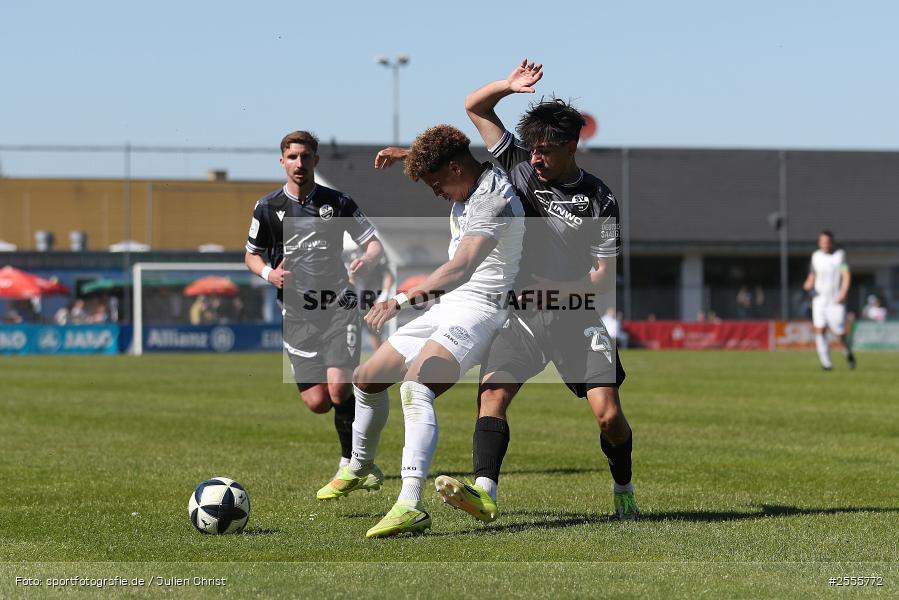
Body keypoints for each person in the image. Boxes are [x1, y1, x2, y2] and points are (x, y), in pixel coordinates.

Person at [433, 59, 638, 522]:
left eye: (546, 150)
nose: (535, 158)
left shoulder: (600, 199)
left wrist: (554, 286)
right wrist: (508, 85)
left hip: (575, 319)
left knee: (609, 417)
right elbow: (475, 107)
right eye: (532, 148)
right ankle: (485, 494)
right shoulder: (517, 165)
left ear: (571, 146)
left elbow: (603, 278)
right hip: (521, 318)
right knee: (492, 395)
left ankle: (623, 486)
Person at [315, 124, 525, 538]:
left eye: (436, 184)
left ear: (454, 168)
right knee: (367, 378)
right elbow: (451, 148)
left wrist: (402, 301)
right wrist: (405, 154)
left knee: (415, 388)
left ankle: (409, 504)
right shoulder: (466, 173)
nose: (436, 193)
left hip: (481, 310)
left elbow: (462, 267)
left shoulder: (492, 200)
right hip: (451, 305)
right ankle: (361, 465)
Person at [244, 130, 385, 488]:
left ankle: (354, 463)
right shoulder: (268, 207)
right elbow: (251, 254)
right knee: (318, 402)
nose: (299, 163)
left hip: (338, 303)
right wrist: (268, 273)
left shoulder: (338, 203)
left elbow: (373, 245)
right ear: (282, 161)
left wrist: (367, 261)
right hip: (297, 314)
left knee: (339, 389)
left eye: (306, 157)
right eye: (292, 157)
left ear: (315, 161)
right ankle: (357, 458)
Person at [803, 230, 855, 370]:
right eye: (822, 241)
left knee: (839, 334)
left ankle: (847, 352)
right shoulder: (816, 256)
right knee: (820, 330)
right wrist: (808, 283)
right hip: (819, 300)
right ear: (819, 242)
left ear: (832, 242)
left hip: (835, 301)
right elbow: (812, 275)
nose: (825, 244)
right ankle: (826, 363)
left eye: (827, 241)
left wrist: (843, 292)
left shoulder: (839, 256)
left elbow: (846, 274)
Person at [350, 251, 395, 351]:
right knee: (352, 334)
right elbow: (351, 278)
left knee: (375, 334)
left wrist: (383, 296)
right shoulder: (355, 254)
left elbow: (389, 277)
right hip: (358, 301)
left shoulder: (379, 256)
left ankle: (382, 362)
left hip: (374, 301)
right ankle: (351, 364)